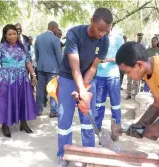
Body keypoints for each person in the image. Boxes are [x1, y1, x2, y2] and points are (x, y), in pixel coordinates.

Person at [57, 8, 112, 166]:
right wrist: (80, 90)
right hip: (67, 78)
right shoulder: (74, 34)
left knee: (88, 118)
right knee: (64, 120)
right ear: (91, 21)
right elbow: (75, 68)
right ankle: (63, 154)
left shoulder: (104, 41)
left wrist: (84, 90)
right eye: (99, 29)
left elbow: (93, 68)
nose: (102, 34)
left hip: (88, 79)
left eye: (106, 31)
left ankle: (89, 154)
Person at [0, 24, 37, 138]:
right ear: (5, 36)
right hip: (6, 79)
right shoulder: (1, 48)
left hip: (22, 79)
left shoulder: (23, 47)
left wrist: (33, 75)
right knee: (6, 101)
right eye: (9, 34)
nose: (12, 36)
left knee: (23, 99)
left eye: (14, 33)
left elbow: (28, 62)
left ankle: (23, 123)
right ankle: (5, 125)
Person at [95, 30, 123, 141]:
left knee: (115, 104)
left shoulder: (118, 38)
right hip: (99, 76)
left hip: (113, 76)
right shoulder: (98, 37)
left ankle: (116, 130)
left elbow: (122, 58)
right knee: (98, 104)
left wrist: (107, 59)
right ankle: (97, 128)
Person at [34, 21, 62, 118]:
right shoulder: (55, 39)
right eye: (57, 29)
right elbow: (59, 56)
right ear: (54, 28)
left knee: (40, 88)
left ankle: (38, 109)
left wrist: (39, 63)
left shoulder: (38, 38)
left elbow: (36, 53)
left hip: (41, 67)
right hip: (53, 69)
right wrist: (61, 68)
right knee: (53, 89)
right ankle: (53, 111)